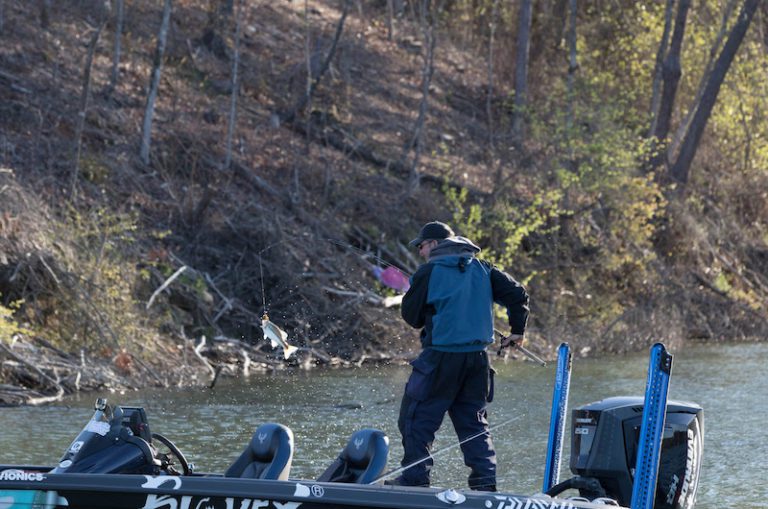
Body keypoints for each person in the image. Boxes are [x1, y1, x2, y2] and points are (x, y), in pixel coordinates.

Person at [391, 221, 529, 491]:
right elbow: (518, 294)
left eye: (421, 246)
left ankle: (414, 481)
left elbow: (412, 318)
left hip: (440, 360)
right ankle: (485, 486)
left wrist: (425, 304)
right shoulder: (484, 268)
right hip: (478, 361)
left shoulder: (427, 272)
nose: (420, 252)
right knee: (473, 425)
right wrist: (517, 331)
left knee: (414, 420)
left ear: (434, 244)